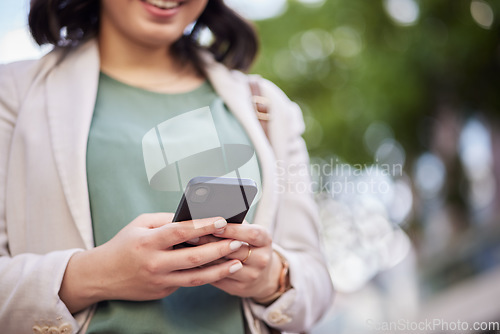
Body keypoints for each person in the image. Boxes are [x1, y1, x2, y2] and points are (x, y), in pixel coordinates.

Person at [0, 0, 333, 333]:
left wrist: (271, 275)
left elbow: (318, 285)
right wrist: (94, 276)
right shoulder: (13, 94)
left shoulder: (268, 108)